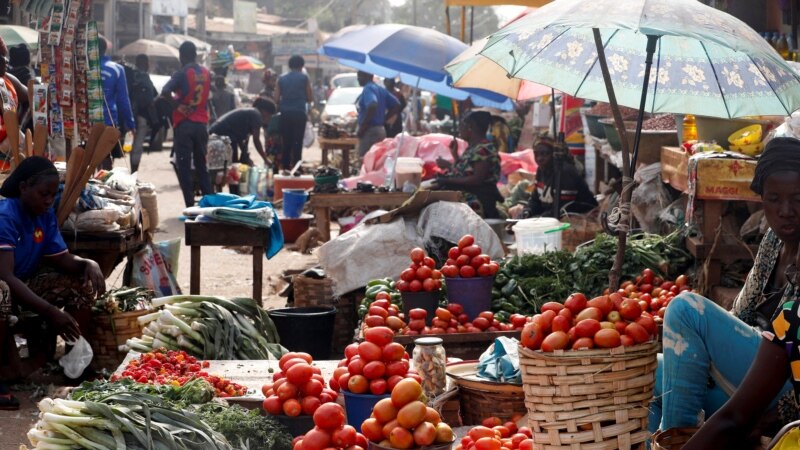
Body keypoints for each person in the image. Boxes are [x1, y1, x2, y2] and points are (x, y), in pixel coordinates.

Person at [655, 138, 800, 448]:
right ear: (761, 199)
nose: (786, 211)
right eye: (774, 199)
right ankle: (669, 439)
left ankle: (677, 440)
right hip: (752, 370)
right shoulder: (774, 242)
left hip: (783, 388)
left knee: (685, 309)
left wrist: (769, 416)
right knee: (655, 376)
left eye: (798, 198)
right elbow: (741, 314)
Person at [0, 157, 106, 409]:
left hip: (22, 283)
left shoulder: (44, 216)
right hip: (5, 285)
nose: (49, 201)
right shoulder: (6, 216)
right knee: (1, 292)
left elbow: (62, 259)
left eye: (52, 195)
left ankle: (75, 364)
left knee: (78, 285)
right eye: (43, 194)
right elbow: (5, 275)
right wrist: (50, 312)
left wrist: (86, 263)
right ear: (24, 187)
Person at [161, 41, 214, 208]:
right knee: (201, 166)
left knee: (183, 166)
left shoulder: (182, 73)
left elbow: (165, 91)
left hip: (184, 125)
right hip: (201, 125)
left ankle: (190, 206)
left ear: (182, 56)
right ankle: (209, 205)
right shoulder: (206, 73)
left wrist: (178, 106)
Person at [508, 135, 597, 219]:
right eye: (536, 154)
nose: (539, 158)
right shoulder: (541, 170)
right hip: (551, 215)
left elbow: (563, 209)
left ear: (554, 154)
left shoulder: (565, 172)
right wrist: (528, 211)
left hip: (579, 217)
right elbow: (536, 199)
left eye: (544, 154)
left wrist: (539, 219)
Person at [434, 111, 503, 218]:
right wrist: (454, 156)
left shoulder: (483, 149)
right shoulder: (473, 148)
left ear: (470, 126)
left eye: (462, 125)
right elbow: (464, 172)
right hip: (466, 194)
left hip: (477, 200)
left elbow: (476, 179)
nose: (459, 129)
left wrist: (447, 180)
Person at [98, 37, 135, 170]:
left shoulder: (83, 68)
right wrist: (130, 124)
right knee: (106, 158)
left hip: (85, 122)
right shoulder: (117, 69)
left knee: (87, 159)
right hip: (109, 122)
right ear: (105, 49)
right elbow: (123, 100)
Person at [208, 97, 276, 166]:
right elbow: (256, 140)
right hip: (221, 136)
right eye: (270, 115)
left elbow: (241, 140)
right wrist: (265, 159)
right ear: (265, 111)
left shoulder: (250, 114)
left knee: (232, 165)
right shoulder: (256, 115)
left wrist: (246, 157)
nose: (269, 118)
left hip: (218, 135)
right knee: (230, 166)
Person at [274, 55, 312, 171]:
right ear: (302, 66)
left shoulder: (281, 78)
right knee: (297, 142)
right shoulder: (304, 78)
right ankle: (297, 168)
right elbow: (310, 97)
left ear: (289, 66)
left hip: (285, 113)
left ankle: (285, 167)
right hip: (300, 113)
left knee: (286, 142)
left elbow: (276, 98)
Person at [355, 71, 401, 157]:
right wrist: (383, 119)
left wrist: (363, 126)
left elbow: (372, 104)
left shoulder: (368, 88)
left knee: (364, 161)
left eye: (360, 76)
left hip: (370, 132)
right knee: (377, 162)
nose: (358, 79)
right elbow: (397, 104)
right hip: (380, 130)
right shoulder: (379, 89)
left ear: (368, 76)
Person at [125, 54, 158, 173]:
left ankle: (130, 169)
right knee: (137, 147)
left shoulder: (131, 76)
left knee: (128, 144)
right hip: (142, 118)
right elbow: (152, 95)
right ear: (145, 63)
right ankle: (134, 172)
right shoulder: (144, 77)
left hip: (130, 116)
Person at [0, 37, 28, 159]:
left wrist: (19, 124)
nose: (6, 61)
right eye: (1, 55)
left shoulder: (8, 80)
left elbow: (32, 97)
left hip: (12, 156)